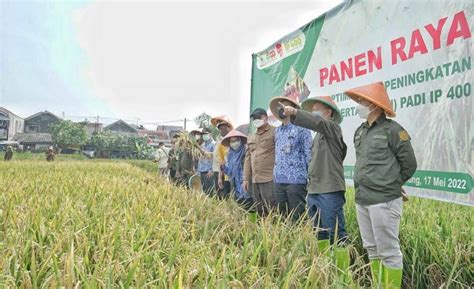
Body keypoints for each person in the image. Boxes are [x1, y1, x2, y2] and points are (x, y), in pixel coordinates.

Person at [345, 82, 417, 289]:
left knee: (388, 250)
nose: (358, 104)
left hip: (384, 200)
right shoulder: (360, 131)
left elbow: (409, 164)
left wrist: (392, 184)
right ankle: (379, 285)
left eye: (362, 101)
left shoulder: (393, 130)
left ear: (375, 105)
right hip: (363, 199)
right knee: (371, 248)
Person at [269, 96, 312, 221]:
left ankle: (300, 240)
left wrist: (310, 176)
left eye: (284, 105)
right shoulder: (277, 131)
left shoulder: (302, 128)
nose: (281, 108)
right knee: (282, 216)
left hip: (296, 180)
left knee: (297, 216)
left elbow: (308, 153)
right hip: (278, 179)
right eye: (279, 106)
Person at [243, 108, 277, 216]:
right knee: (259, 208)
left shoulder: (275, 132)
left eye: (258, 118)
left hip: (269, 178)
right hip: (255, 179)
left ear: (266, 118)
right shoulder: (251, 137)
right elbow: (247, 159)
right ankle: (261, 230)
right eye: (254, 119)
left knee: (271, 207)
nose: (256, 120)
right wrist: (245, 179)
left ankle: (273, 230)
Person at [220, 129, 252, 208]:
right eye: (232, 141)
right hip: (235, 188)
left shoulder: (246, 153)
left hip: (246, 186)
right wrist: (223, 167)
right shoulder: (230, 154)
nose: (234, 143)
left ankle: (253, 220)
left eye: (236, 140)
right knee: (239, 209)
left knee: (250, 208)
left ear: (240, 141)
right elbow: (231, 173)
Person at [211, 116, 233, 199]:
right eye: (220, 128)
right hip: (227, 176)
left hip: (238, 175)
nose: (222, 130)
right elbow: (222, 163)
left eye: (224, 127)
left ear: (229, 127)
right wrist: (220, 178)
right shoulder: (221, 144)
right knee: (226, 197)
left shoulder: (237, 140)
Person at [197, 128, 216, 195]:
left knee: (210, 191)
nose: (204, 136)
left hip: (209, 171)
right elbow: (200, 158)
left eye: (205, 134)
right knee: (205, 191)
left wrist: (212, 170)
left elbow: (215, 158)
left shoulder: (213, 144)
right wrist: (198, 171)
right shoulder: (203, 145)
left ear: (210, 134)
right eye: (203, 134)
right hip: (202, 170)